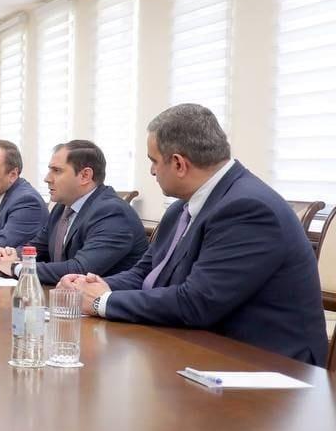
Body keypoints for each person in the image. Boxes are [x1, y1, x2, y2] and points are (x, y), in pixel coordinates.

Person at [62, 104, 327, 366]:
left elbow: (198, 302)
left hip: (268, 365)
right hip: (201, 346)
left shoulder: (247, 208)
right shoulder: (182, 207)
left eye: (154, 161)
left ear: (179, 163)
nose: (152, 171)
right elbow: (145, 272)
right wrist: (90, 286)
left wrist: (102, 301)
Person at [0, 140, 147, 285]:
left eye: (56, 171)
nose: (47, 178)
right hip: (65, 298)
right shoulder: (62, 207)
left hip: (104, 305)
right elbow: (36, 248)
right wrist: (11, 255)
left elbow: (80, 269)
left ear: (85, 175)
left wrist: (15, 267)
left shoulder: (112, 213)